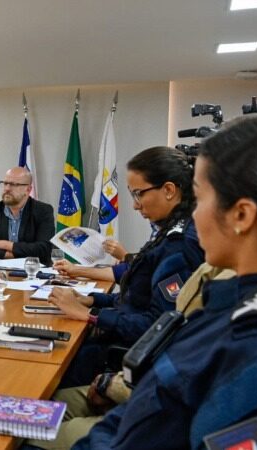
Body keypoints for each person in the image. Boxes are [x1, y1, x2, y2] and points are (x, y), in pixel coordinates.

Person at [72, 114, 257, 450]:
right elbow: (152, 403)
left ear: (241, 214)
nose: (194, 214)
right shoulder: (226, 303)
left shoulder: (254, 345)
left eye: (200, 197)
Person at [23, 263, 236, 450]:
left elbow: (186, 389)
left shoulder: (236, 305)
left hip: (152, 416)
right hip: (138, 392)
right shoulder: (216, 273)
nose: (196, 216)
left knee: (23, 434)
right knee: (27, 407)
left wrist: (114, 387)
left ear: (242, 217)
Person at [49, 147, 204, 388]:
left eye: (139, 194)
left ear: (169, 190)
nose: (135, 205)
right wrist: (92, 300)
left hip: (125, 359)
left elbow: (159, 326)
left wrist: (89, 317)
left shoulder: (179, 245)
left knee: (52, 372)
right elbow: (137, 299)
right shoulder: (169, 232)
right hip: (116, 341)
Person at [0, 167, 55, 265]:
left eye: (14, 184)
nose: (7, 188)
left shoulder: (43, 211)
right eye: (5, 183)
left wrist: (5, 244)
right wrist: (14, 254)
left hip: (33, 272)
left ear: (28, 190)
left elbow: (43, 249)